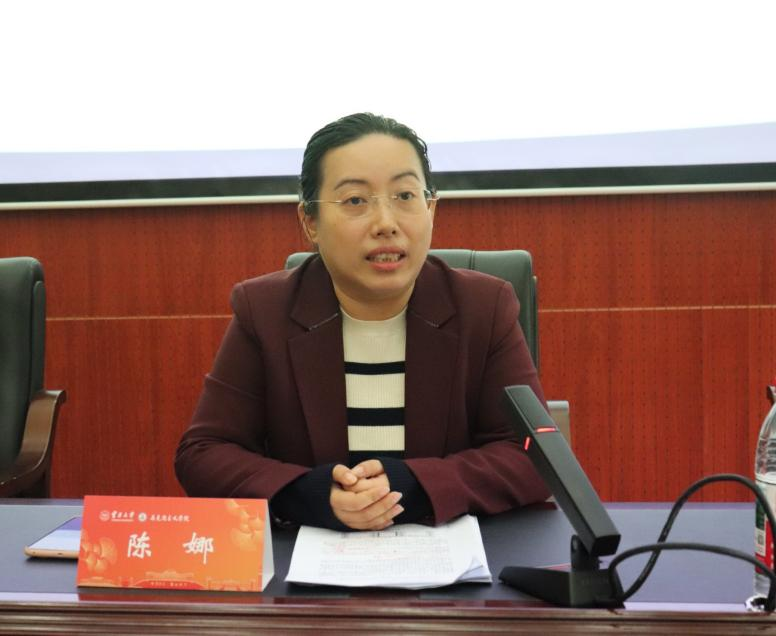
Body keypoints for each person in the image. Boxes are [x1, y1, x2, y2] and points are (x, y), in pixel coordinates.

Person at [175, 113, 550, 531]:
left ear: (430, 209)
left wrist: (415, 486)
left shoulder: (483, 307)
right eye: (355, 201)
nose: (386, 223)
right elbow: (204, 453)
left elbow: (534, 454)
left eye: (405, 196)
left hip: (450, 556)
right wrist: (308, 494)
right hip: (312, 558)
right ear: (310, 222)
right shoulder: (265, 311)